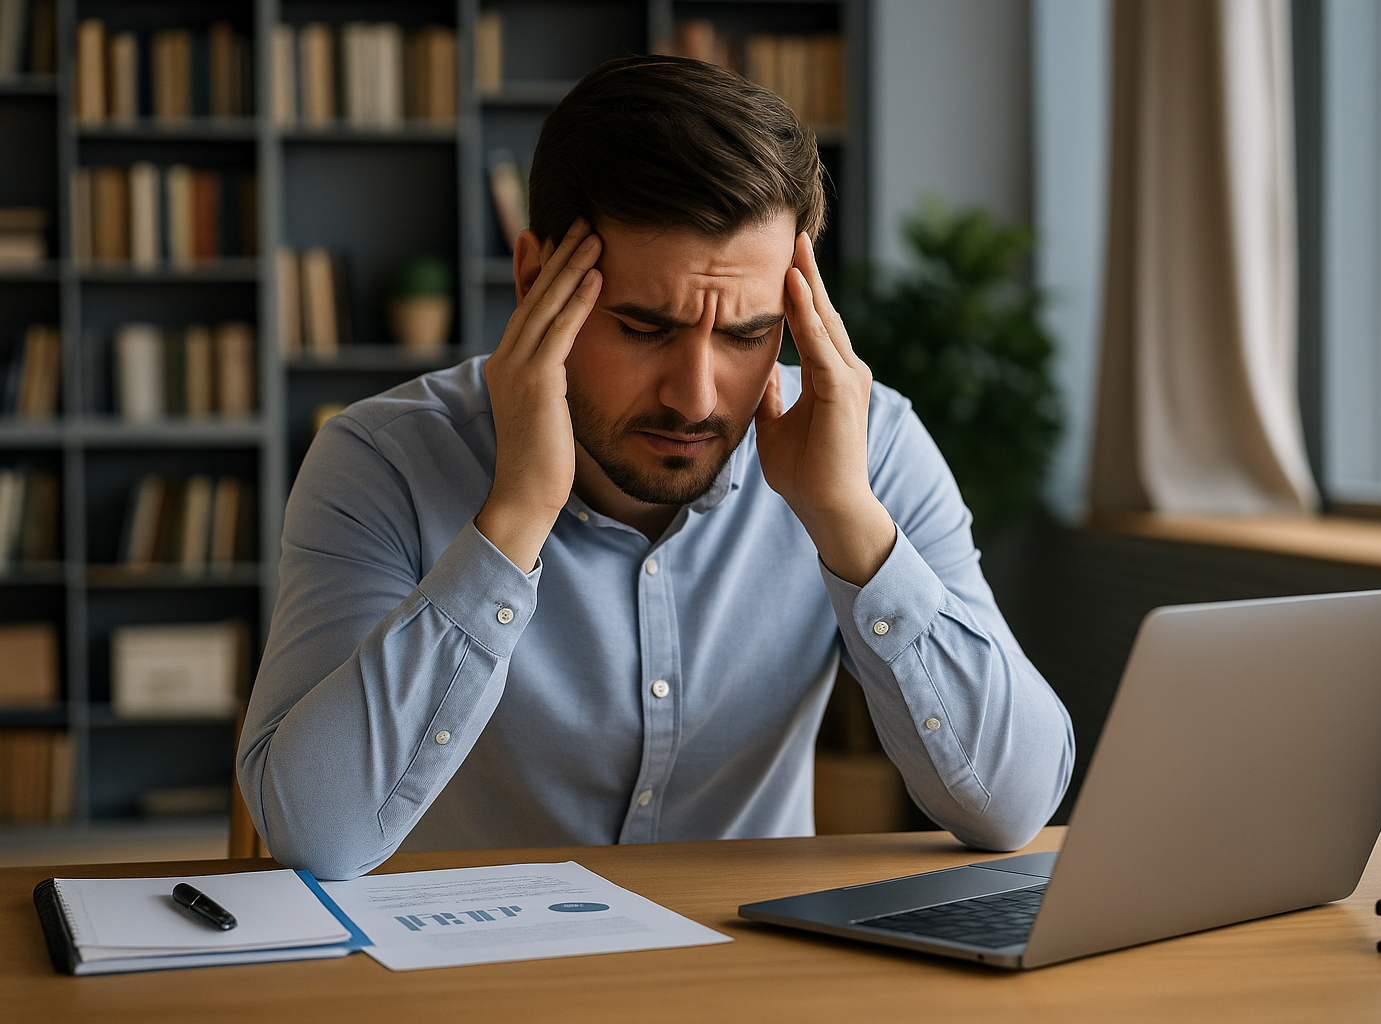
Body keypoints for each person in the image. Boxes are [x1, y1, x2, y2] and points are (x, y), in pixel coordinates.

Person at [238, 55, 1074, 881]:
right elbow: (317, 835)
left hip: (752, 957)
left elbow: (1014, 806)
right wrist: (514, 518)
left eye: (748, 334)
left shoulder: (868, 445)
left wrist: (847, 520)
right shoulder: (383, 459)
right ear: (534, 280)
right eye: (644, 329)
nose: (695, 397)